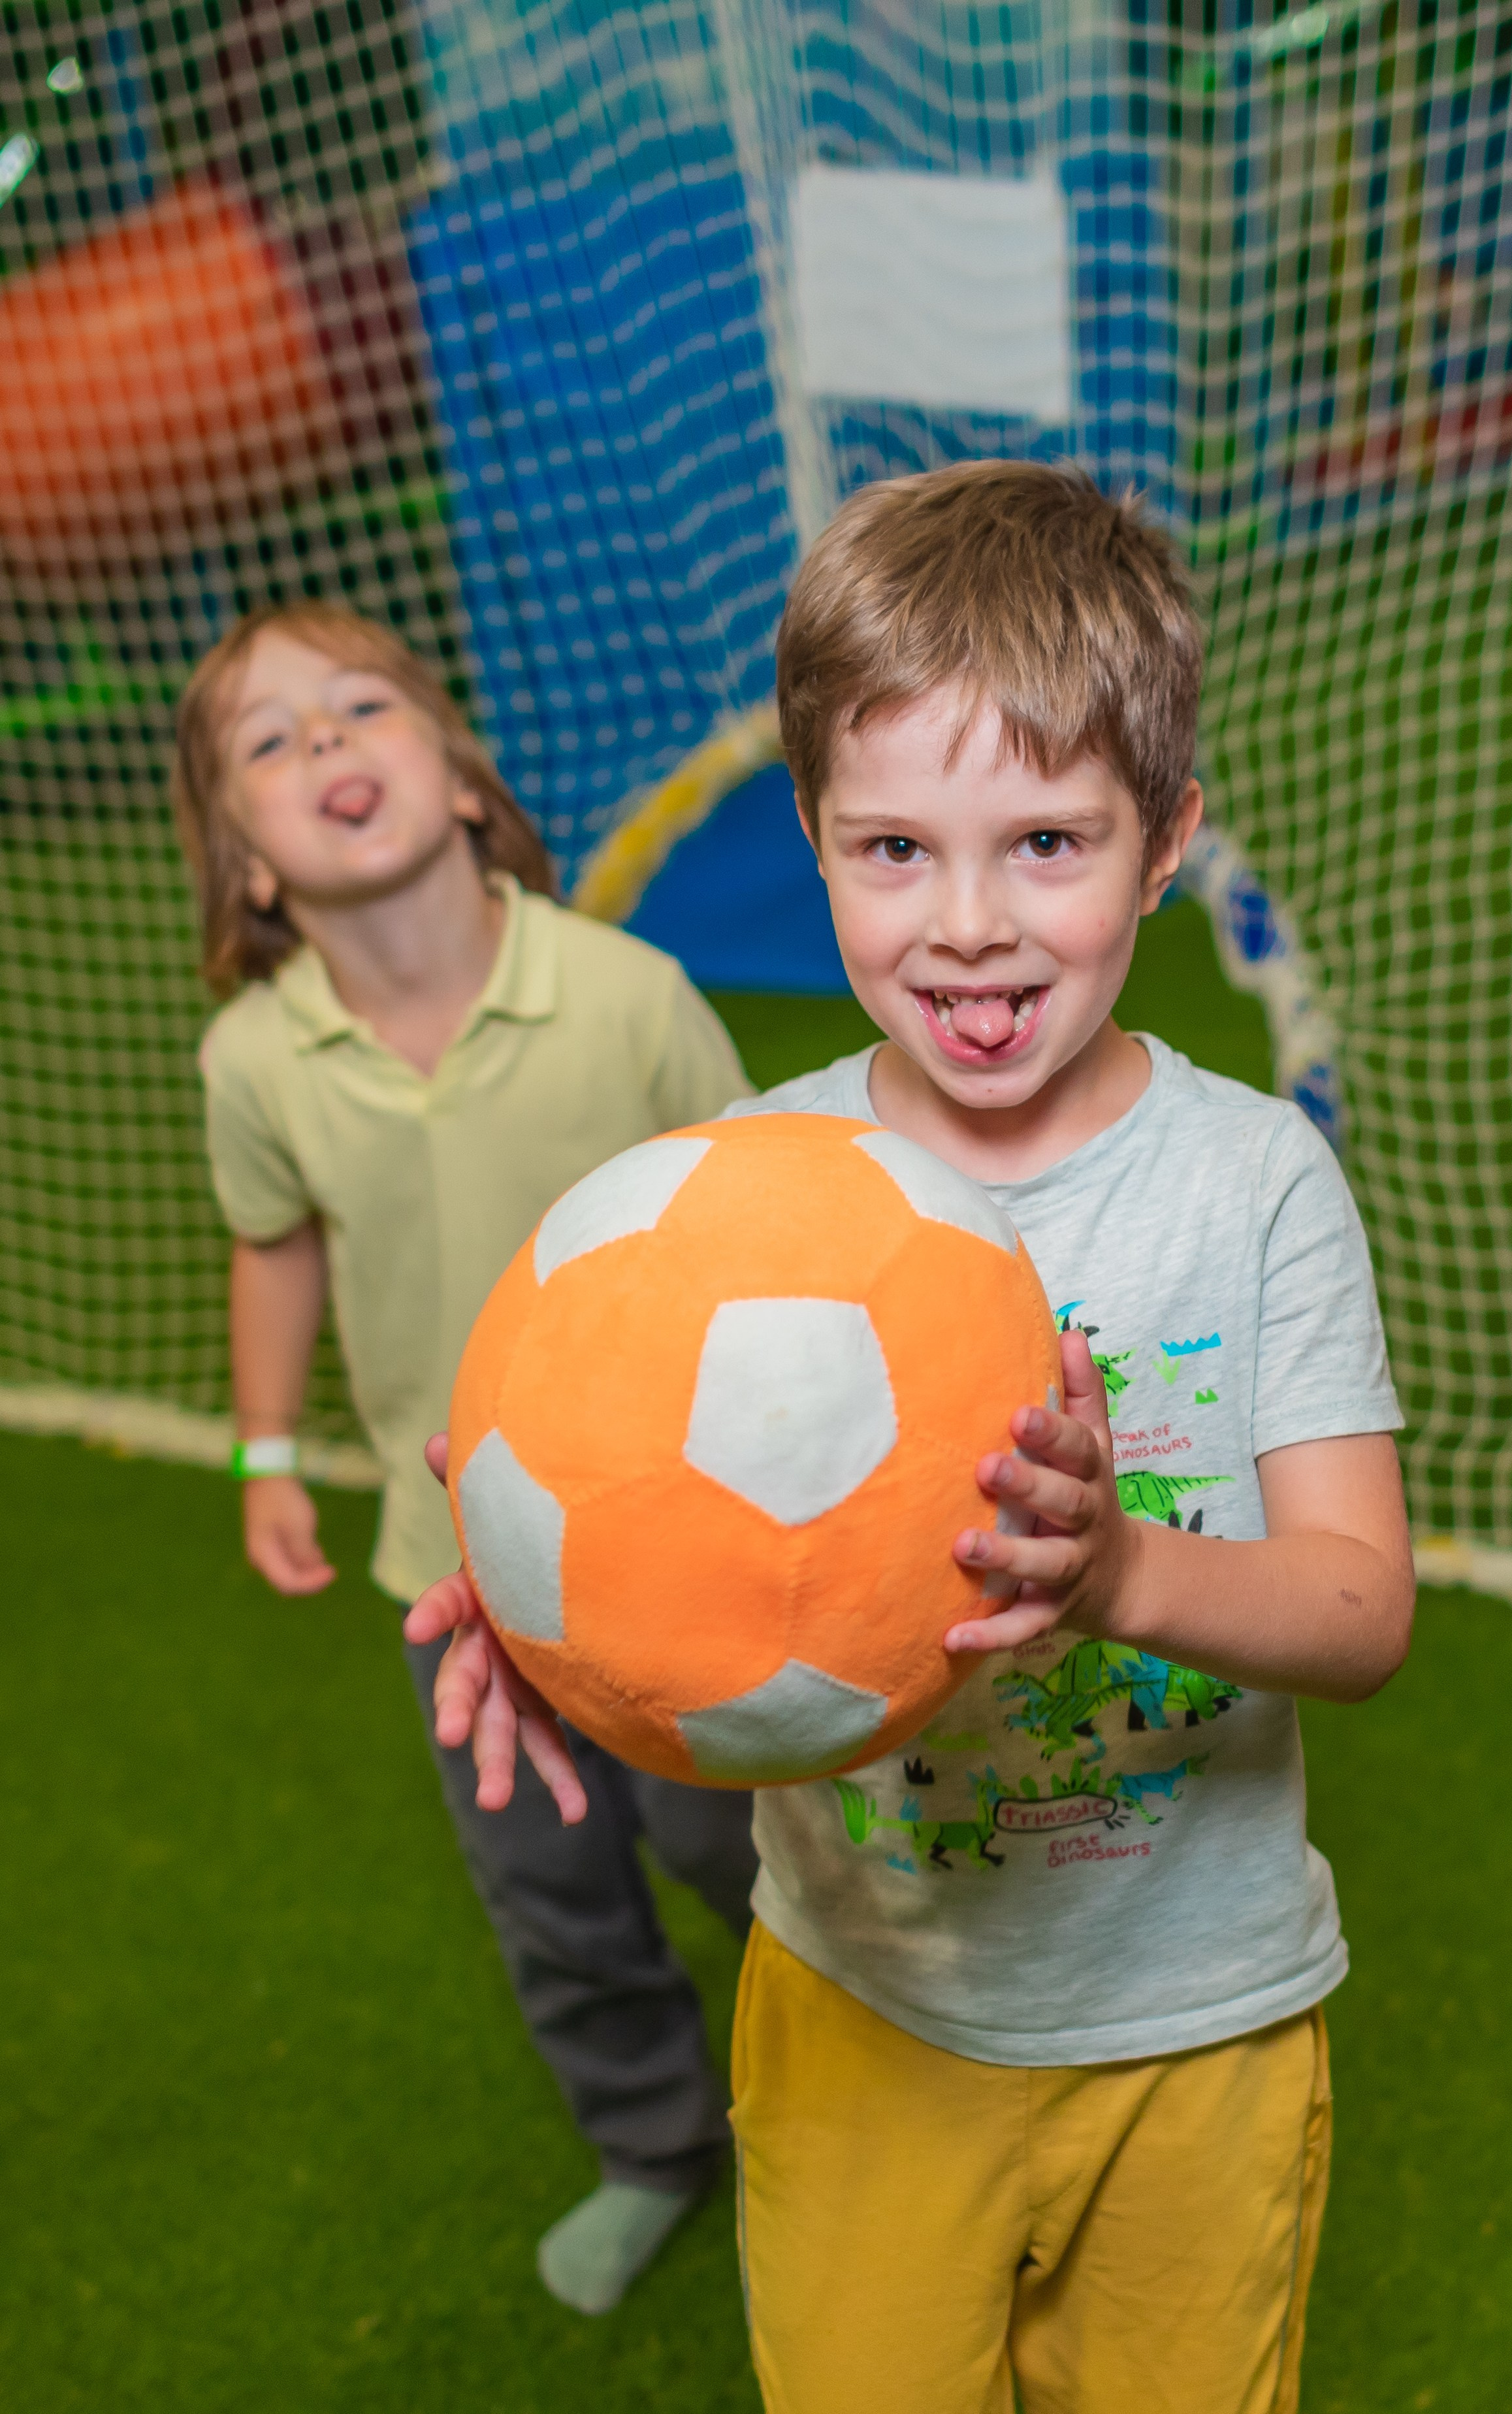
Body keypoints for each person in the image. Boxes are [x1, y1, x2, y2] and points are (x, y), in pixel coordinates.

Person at [408, 461, 1417, 2412]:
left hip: (1193, 2030)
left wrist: (1113, 1567)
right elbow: (649, 1526)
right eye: (892, 851)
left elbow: (1360, 1610)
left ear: (1165, 844)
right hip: (868, 2011)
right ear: (809, 837)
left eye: (1046, 839)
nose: (966, 927)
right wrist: (556, 1631)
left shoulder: (1249, 1180)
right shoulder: (731, 1191)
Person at [173, 602, 758, 2316]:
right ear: (248, 864)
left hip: (681, 1558)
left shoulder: (626, 995)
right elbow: (271, 1244)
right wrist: (264, 1450)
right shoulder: (252, 1060)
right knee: (555, 1901)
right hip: (458, 1591)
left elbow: (753, 1234)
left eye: (361, 708)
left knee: (764, 1860)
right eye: (269, 745)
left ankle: (887, 2083)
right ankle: (653, 2144)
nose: (326, 748)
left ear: (461, 778)